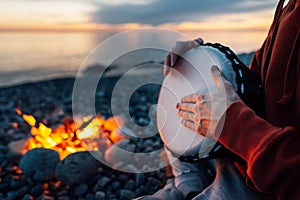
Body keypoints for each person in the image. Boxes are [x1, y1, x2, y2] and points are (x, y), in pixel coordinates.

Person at [138, 0, 300, 199]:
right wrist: (200, 62)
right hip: (241, 152)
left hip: (267, 182)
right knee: (174, 112)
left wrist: (232, 123)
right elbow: (261, 84)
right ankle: (186, 187)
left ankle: (189, 187)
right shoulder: (290, 8)